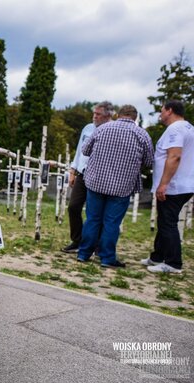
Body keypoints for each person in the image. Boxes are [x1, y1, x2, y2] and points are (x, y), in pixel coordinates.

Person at [77, 105, 154, 268]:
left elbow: (85, 150)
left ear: (119, 115)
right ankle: (106, 258)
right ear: (135, 117)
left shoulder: (102, 128)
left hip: (96, 182)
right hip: (122, 187)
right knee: (111, 223)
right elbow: (149, 161)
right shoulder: (142, 134)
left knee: (92, 219)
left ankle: (83, 254)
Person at [143, 100, 194, 274]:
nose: (160, 114)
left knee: (168, 222)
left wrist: (163, 184)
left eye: (162, 110)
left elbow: (174, 157)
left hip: (174, 185)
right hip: (185, 183)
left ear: (170, 111)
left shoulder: (176, 129)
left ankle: (173, 263)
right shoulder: (189, 127)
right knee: (164, 220)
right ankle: (157, 256)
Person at [61, 101, 114, 253]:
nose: (94, 117)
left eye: (98, 114)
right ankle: (77, 240)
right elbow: (79, 151)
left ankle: (97, 244)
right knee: (73, 207)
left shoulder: (112, 129)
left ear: (107, 115)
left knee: (96, 212)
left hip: (100, 175)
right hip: (83, 173)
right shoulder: (88, 128)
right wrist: (73, 170)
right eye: (94, 113)